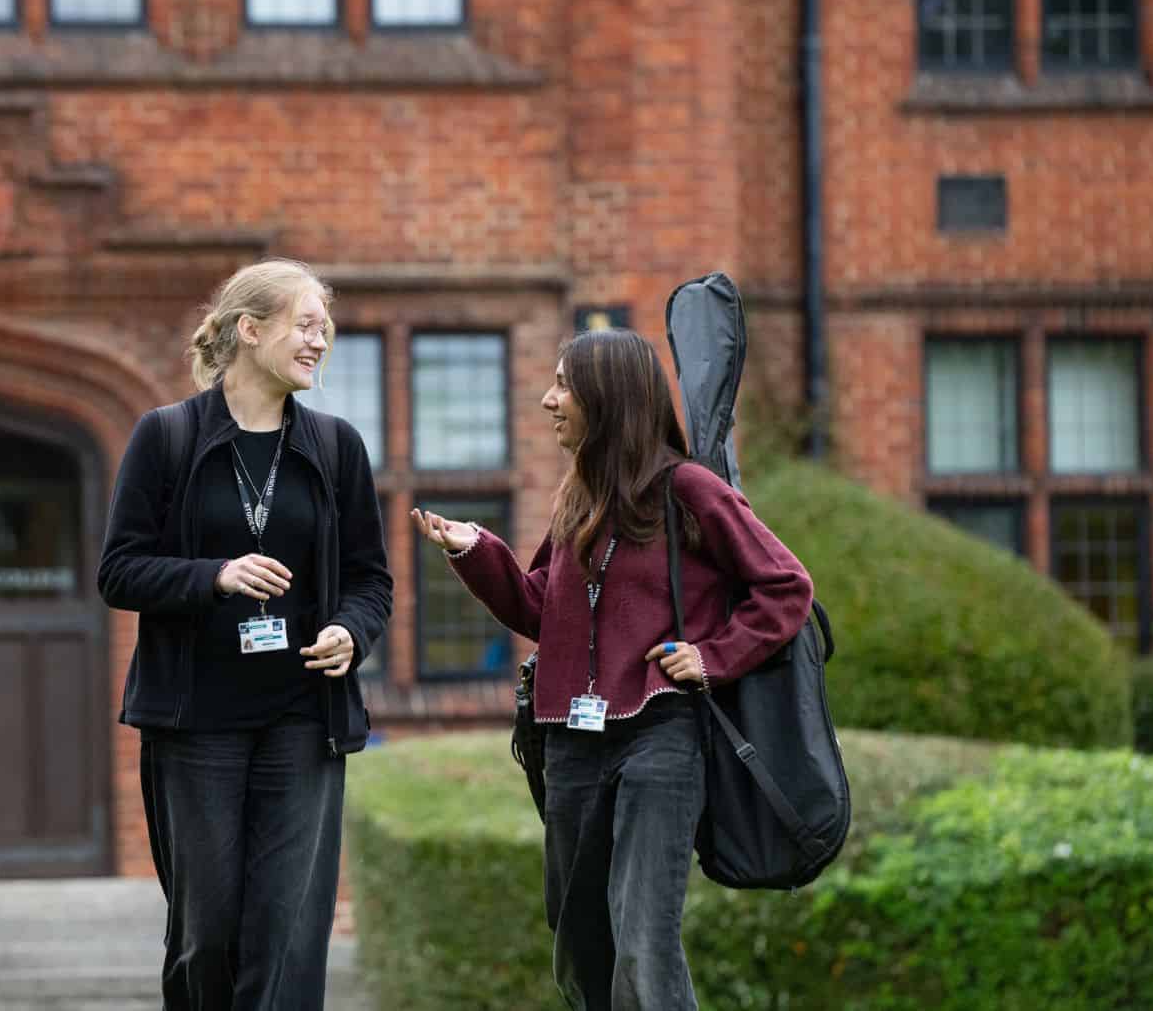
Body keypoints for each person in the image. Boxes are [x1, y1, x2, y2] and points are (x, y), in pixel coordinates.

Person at [412, 328, 812, 1011]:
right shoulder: (578, 495)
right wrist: (476, 549)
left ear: (609, 396)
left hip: (660, 738)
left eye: (564, 384)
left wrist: (710, 656)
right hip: (570, 745)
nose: (548, 399)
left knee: (640, 943)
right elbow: (545, 610)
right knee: (581, 947)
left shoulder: (689, 489)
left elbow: (786, 586)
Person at [97, 258, 392, 1011]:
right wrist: (214, 577)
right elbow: (120, 571)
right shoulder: (166, 438)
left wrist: (350, 633)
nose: (318, 340)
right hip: (195, 724)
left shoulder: (336, 448)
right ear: (249, 329)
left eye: (324, 327)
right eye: (304, 324)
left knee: (286, 928)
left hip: (303, 716)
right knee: (209, 932)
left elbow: (371, 580)